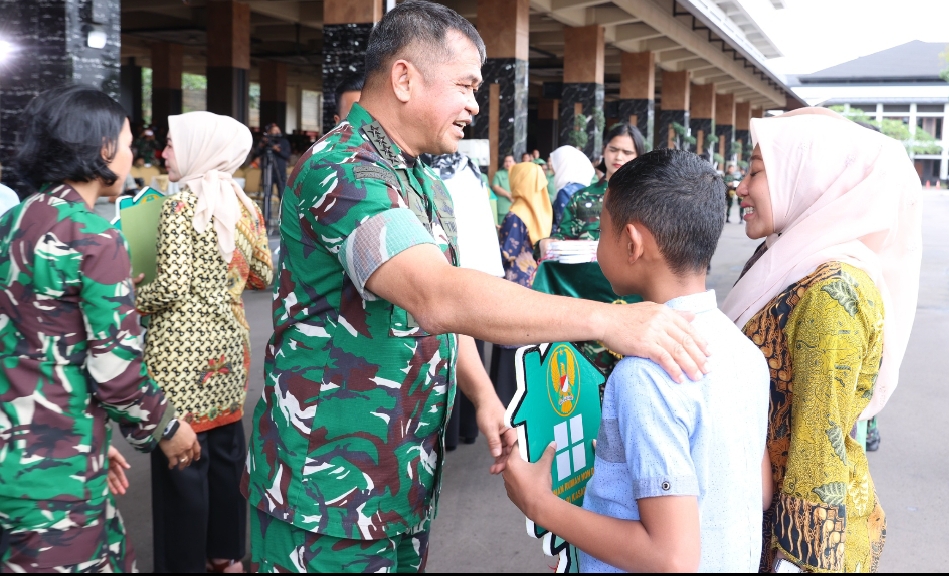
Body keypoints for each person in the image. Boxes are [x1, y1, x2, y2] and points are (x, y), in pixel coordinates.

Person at [242, 2, 709, 572]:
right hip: (321, 499)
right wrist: (609, 320)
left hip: (395, 487)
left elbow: (441, 313)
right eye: (464, 86)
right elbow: (435, 296)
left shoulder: (422, 184)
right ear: (405, 78)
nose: (473, 105)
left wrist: (486, 398)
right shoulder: (342, 170)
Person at [502, 149, 771, 572]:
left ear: (632, 242)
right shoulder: (743, 350)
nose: (595, 247)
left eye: (602, 231)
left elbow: (671, 558)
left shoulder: (645, 374)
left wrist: (539, 504)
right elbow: (758, 490)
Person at [0, 85, 200, 572]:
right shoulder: (94, 236)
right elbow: (117, 373)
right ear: (104, 148)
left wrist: (95, 440)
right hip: (53, 470)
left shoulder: (14, 221)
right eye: (129, 143)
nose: (134, 155)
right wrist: (167, 429)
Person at [722, 108, 921, 572]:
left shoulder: (833, 294)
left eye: (756, 171)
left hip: (793, 543)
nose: (741, 187)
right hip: (756, 512)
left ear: (808, 179)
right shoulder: (786, 262)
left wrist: (795, 564)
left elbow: (819, 447)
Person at [138, 111, 274, 573]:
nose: (164, 153)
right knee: (223, 457)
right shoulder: (244, 206)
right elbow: (264, 275)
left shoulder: (179, 208)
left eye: (173, 143)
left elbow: (171, 288)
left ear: (200, 149)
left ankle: (183, 563)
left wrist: (131, 294)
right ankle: (227, 555)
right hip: (230, 354)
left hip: (180, 358)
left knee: (182, 467)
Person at [421, 151, 504, 449]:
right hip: (460, 271)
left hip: (457, 269)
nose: (471, 108)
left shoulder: (440, 172)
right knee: (458, 343)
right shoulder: (464, 171)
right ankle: (461, 429)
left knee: (456, 345)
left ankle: (457, 429)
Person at [492, 161, 553, 405]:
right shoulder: (541, 210)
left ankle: (507, 400)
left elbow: (507, 253)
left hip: (513, 286)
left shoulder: (515, 213)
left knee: (508, 339)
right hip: (533, 284)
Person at [546, 122, 644, 244]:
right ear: (604, 150)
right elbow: (564, 236)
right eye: (613, 150)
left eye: (627, 152)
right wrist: (549, 242)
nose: (619, 157)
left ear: (638, 156)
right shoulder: (581, 197)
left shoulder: (647, 200)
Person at [252, 122, 291, 230]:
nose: (276, 132)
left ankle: (284, 219)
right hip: (267, 171)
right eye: (273, 131)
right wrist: (262, 144)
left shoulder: (283, 142)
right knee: (267, 195)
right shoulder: (265, 142)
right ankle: (266, 219)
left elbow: (286, 155)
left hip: (280, 171)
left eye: (277, 130)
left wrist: (276, 148)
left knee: (282, 195)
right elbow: (256, 153)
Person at [549, 145, 596, 231]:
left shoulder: (565, 192)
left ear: (564, 164)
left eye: (555, 163)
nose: (552, 167)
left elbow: (563, 225)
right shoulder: (586, 189)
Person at [491, 153, 515, 225]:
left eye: (510, 161)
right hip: (503, 208)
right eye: (506, 161)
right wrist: (508, 195)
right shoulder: (498, 174)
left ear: (514, 162)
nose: (508, 163)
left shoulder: (518, 174)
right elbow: (495, 187)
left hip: (516, 208)